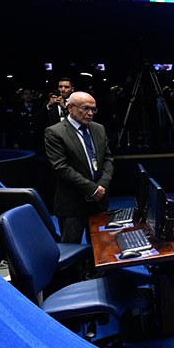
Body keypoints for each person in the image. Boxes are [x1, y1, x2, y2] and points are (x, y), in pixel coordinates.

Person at [44, 91, 114, 245]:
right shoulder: (55, 132)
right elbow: (61, 167)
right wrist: (92, 189)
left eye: (93, 109)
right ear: (70, 108)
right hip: (72, 204)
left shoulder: (98, 129)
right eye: (85, 108)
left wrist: (101, 186)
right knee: (72, 250)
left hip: (98, 202)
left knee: (101, 248)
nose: (90, 113)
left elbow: (107, 159)